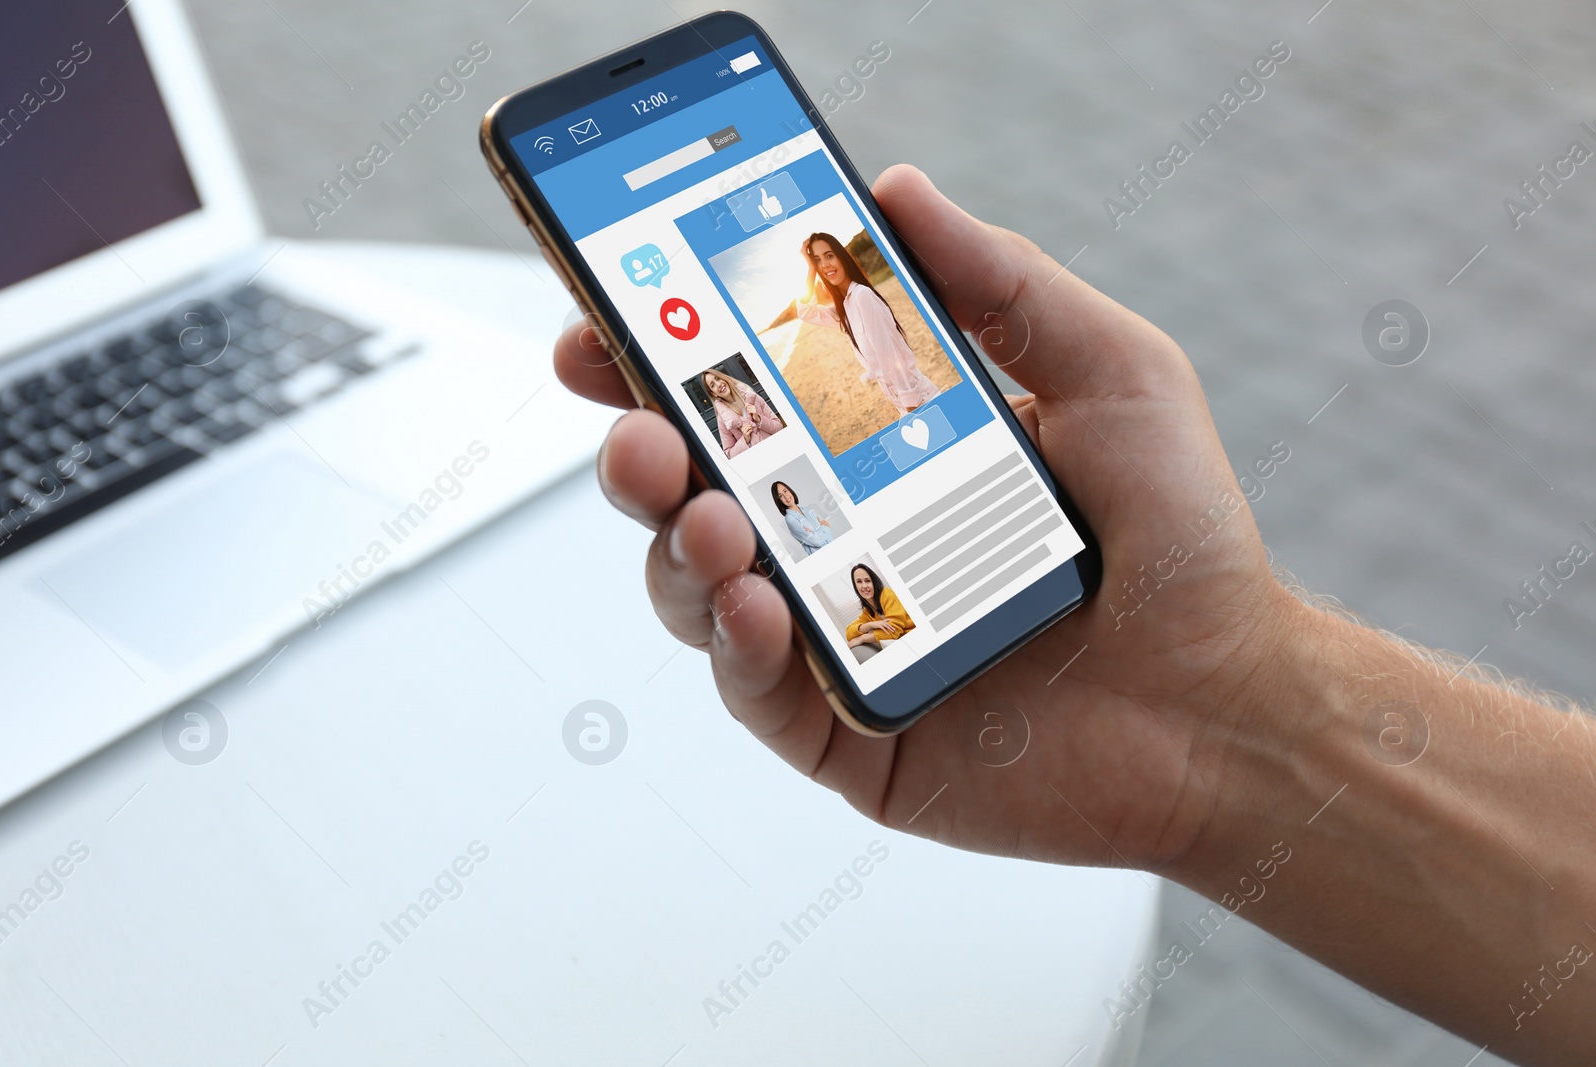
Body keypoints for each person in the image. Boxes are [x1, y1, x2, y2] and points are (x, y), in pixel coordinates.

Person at [557, 165, 1596, 1065]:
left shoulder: (870, 304)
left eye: (832, 261)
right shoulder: (827, 305)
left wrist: (1233, 706)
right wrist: (1232, 712)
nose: (826, 273)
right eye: (819, 264)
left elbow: (899, 366)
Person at [795, 231, 940, 416]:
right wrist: (811, 269)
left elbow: (892, 357)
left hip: (920, 401)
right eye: (818, 260)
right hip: (905, 404)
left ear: (842, 257)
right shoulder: (845, 309)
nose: (825, 265)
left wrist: (911, 410)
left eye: (829, 256)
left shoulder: (862, 295)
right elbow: (806, 312)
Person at [701, 368, 783, 457]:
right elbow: (729, 454)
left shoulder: (752, 397)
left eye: (717, 378)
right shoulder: (723, 420)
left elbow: (779, 427)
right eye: (712, 385)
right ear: (714, 394)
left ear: (723, 378)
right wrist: (745, 439)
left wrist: (759, 419)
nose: (718, 384)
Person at [843, 563, 914, 651]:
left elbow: (894, 631)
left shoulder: (887, 594)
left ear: (874, 582)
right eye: (859, 582)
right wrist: (869, 625)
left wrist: (862, 638)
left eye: (867, 580)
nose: (864, 586)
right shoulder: (867, 613)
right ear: (856, 587)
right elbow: (849, 633)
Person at [770, 480, 833, 556]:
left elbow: (829, 535)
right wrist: (825, 526)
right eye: (780, 496)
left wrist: (817, 532)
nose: (786, 497)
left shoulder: (807, 510)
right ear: (779, 500)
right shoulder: (790, 519)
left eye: (785, 491)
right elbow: (817, 541)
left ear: (789, 490)